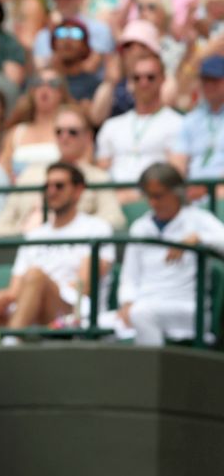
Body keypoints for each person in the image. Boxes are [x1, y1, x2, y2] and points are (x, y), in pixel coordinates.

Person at [0, 162, 114, 333]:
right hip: (27, 311)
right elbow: (14, 290)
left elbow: (82, 287)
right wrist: (3, 299)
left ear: (78, 190)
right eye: (48, 186)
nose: (51, 191)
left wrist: (39, 287)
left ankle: (10, 343)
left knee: (35, 276)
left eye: (59, 186)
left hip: (73, 314)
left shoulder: (97, 229)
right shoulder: (34, 235)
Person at [116, 163, 224, 345]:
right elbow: (129, 277)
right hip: (144, 305)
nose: (153, 203)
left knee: (141, 314)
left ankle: (152, 373)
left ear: (177, 193)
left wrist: (199, 238)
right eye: (149, 196)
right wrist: (126, 303)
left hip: (187, 309)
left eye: (158, 196)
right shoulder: (140, 227)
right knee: (96, 320)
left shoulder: (198, 219)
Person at [0, 106, 124, 235]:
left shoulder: (98, 177)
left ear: (88, 136)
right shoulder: (30, 174)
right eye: (59, 132)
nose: (64, 137)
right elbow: (0, 227)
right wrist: (30, 232)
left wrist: (69, 228)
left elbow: (115, 220)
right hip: (28, 249)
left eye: (72, 132)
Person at [96, 54, 181, 191]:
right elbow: (102, 170)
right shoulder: (111, 125)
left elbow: (176, 172)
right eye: (137, 78)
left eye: (150, 77)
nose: (143, 83)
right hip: (114, 198)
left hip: (156, 197)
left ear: (163, 79)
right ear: (129, 82)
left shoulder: (178, 123)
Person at [171, 55, 224, 189]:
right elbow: (178, 162)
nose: (209, 85)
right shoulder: (191, 119)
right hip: (192, 192)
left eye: (215, 80)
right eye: (205, 80)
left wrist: (206, 190)